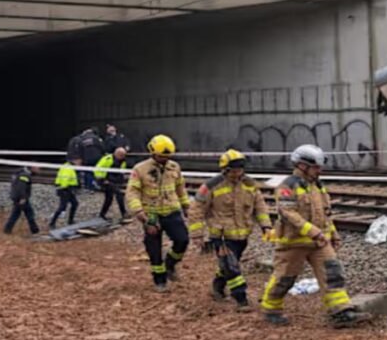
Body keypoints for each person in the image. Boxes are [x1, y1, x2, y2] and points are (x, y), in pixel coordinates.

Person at [260, 144, 371, 327]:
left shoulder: (317, 186)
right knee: (284, 278)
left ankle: (341, 311)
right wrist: (314, 232)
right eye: (316, 167)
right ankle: (271, 308)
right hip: (293, 243)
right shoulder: (287, 187)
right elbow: (289, 213)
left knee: (333, 274)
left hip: (319, 242)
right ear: (302, 165)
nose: (320, 170)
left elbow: (325, 213)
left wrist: (333, 233)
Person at [188, 149, 272, 311]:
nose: (237, 173)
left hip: (242, 235)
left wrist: (266, 225)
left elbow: (260, 207)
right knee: (232, 267)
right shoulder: (211, 186)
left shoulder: (250, 184)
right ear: (225, 169)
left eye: (239, 170)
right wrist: (197, 234)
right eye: (233, 170)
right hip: (221, 236)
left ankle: (217, 286)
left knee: (227, 266)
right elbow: (196, 209)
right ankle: (241, 299)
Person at [125, 134, 190, 292]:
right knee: (154, 249)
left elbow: (180, 188)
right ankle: (159, 280)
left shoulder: (174, 167)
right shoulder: (140, 169)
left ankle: (170, 265)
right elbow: (132, 192)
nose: (164, 159)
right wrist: (140, 213)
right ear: (153, 153)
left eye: (167, 156)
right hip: (151, 214)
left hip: (172, 211)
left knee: (182, 240)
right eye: (161, 156)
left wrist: (186, 206)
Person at [95, 148, 129, 223]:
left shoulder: (123, 161)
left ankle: (102, 214)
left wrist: (123, 180)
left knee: (110, 198)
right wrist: (102, 180)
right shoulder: (107, 159)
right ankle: (123, 213)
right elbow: (97, 169)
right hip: (106, 180)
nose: (122, 157)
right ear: (116, 154)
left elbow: (121, 171)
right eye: (121, 155)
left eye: (123, 155)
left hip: (116, 180)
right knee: (118, 195)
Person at [5, 164, 40, 236]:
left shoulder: (22, 173)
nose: (39, 170)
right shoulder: (24, 175)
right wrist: (23, 198)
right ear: (32, 168)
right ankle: (35, 230)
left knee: (16, 214)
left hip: (18, 197)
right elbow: (21, 187)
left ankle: (7, 229)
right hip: (20, 198)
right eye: (38, 168)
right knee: (29, 213)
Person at [50, 157, 81, 228]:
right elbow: (65, 179)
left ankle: (70, 221)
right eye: (79, 161)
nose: (80, 164)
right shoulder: (68, 168)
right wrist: (64, 188)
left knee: (75, 203)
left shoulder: (69, 166)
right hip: (65, 189)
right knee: (62, 207)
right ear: (75, 160)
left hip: (67, 189)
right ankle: (52, 223)